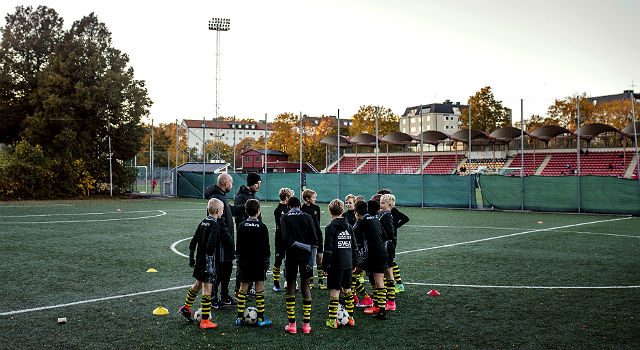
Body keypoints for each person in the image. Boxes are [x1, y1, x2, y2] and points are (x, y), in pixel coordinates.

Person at [178, 198, 223, 329]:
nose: (223, 212)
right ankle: (205, 321)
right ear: (218, 211)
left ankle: (185, 308)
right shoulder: (215, 225)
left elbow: (193, 242)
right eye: (223, 210)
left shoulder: (203, 222)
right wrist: (210, 265)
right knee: (207, 290)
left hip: (199, 260)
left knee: (198, 284)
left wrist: (192, 257)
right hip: (207, 262)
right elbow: (210, 247)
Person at [280, 196, 318, 334]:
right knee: (306, 286)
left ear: (289, 206)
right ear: (299, 206)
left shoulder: (284, 217)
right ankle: (306, 325)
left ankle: (292, 325)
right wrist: (311, 261)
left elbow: (285, 239)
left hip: (291, 256)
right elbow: (315, 241)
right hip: (306, 258)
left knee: (290, 285)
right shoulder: (307, 217)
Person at [204, 173, 243, 308]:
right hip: (220, 243)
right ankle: (214, 298)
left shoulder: (221, 197)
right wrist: (229, 240)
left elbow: (229, 210)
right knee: (220, 270)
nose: (232, 186)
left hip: (224, 242)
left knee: (226, 269)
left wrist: (245, 208)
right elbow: (220, 223)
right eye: (231, 183)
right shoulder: (216, 198)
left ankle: (224, 296)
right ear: (226, 183)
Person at [235, 199, 272, 327]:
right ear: (259, 211)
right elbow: (266, 248)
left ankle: (239, 318)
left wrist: (239, 262)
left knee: (243, 288)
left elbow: (238, 247)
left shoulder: (241, 226)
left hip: (245, 262)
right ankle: (261, 318)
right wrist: (266, 263)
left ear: (245, 211)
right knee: (259, 288)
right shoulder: (262, 227)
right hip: (258, 262)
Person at [322, 199, 357, 329]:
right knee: (348, 290)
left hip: (335, 264)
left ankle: (332, 320)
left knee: (334, 291)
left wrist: (325, 266)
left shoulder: (330, 227)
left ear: (330, 212)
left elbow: (328, 249)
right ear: (342, 211)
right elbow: (354, 247)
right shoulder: (349, 227)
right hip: (348, 263)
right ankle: (351, 318)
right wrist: (354, 263)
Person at [353, 200, 388, 320]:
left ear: (356, 212)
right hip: (382, 252)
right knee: (378, 280)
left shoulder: (362, 223)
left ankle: (380, 309)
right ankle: (379, 307)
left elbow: (355, 238)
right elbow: (384, 235)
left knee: (375, 280)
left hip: (373, 254)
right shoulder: (375, 219)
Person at [234, 172, 263, 297]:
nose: (258, 186)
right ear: (252, 183)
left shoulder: (254, 196)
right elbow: (239, 218)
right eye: (257, 183)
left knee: (253, 262)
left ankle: (250, 288)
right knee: (243, 263)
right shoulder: (240, 197)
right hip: (245, 236)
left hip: (256, 236)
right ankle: (238, 289)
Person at [377, 189, 409, 293]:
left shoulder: (391, 211)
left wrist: (395, 226)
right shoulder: (382, 212)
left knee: (390, 262)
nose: (380, 202)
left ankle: (398, 284)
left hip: (390, 240)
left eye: (382, 200)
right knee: (389, 262)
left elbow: (405, 218)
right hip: (387, 239)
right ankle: (392, 284)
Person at [301, 189, 325, 290]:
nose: (315, 199)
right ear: (307, 198)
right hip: (307, 238)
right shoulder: (302, 208)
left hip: (317, 236)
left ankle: (321, 281)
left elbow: (317, 222)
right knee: (309, 260)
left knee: (319, 258)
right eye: (313, 198)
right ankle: (310, 281)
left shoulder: (317, 208)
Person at [377, 194, 397, 311]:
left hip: (387, 248)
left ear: (389, 205)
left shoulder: (387, 216)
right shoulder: (383, 215)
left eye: (383, 202)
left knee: (389, 272)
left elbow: (389, 234)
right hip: (386, 247)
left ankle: (391, 301)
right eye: (381, 202)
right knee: (386, 272)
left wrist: (380, 235)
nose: (381, 204)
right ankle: (388, 299)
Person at [272, 187, 294, 292]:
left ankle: (288, 280)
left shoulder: (291, 208)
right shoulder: (278, 210)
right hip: (280, 239)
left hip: (290, 239)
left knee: (289, 261)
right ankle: (276, 283)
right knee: (278, 261)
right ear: (286, 198)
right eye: (290, 197)